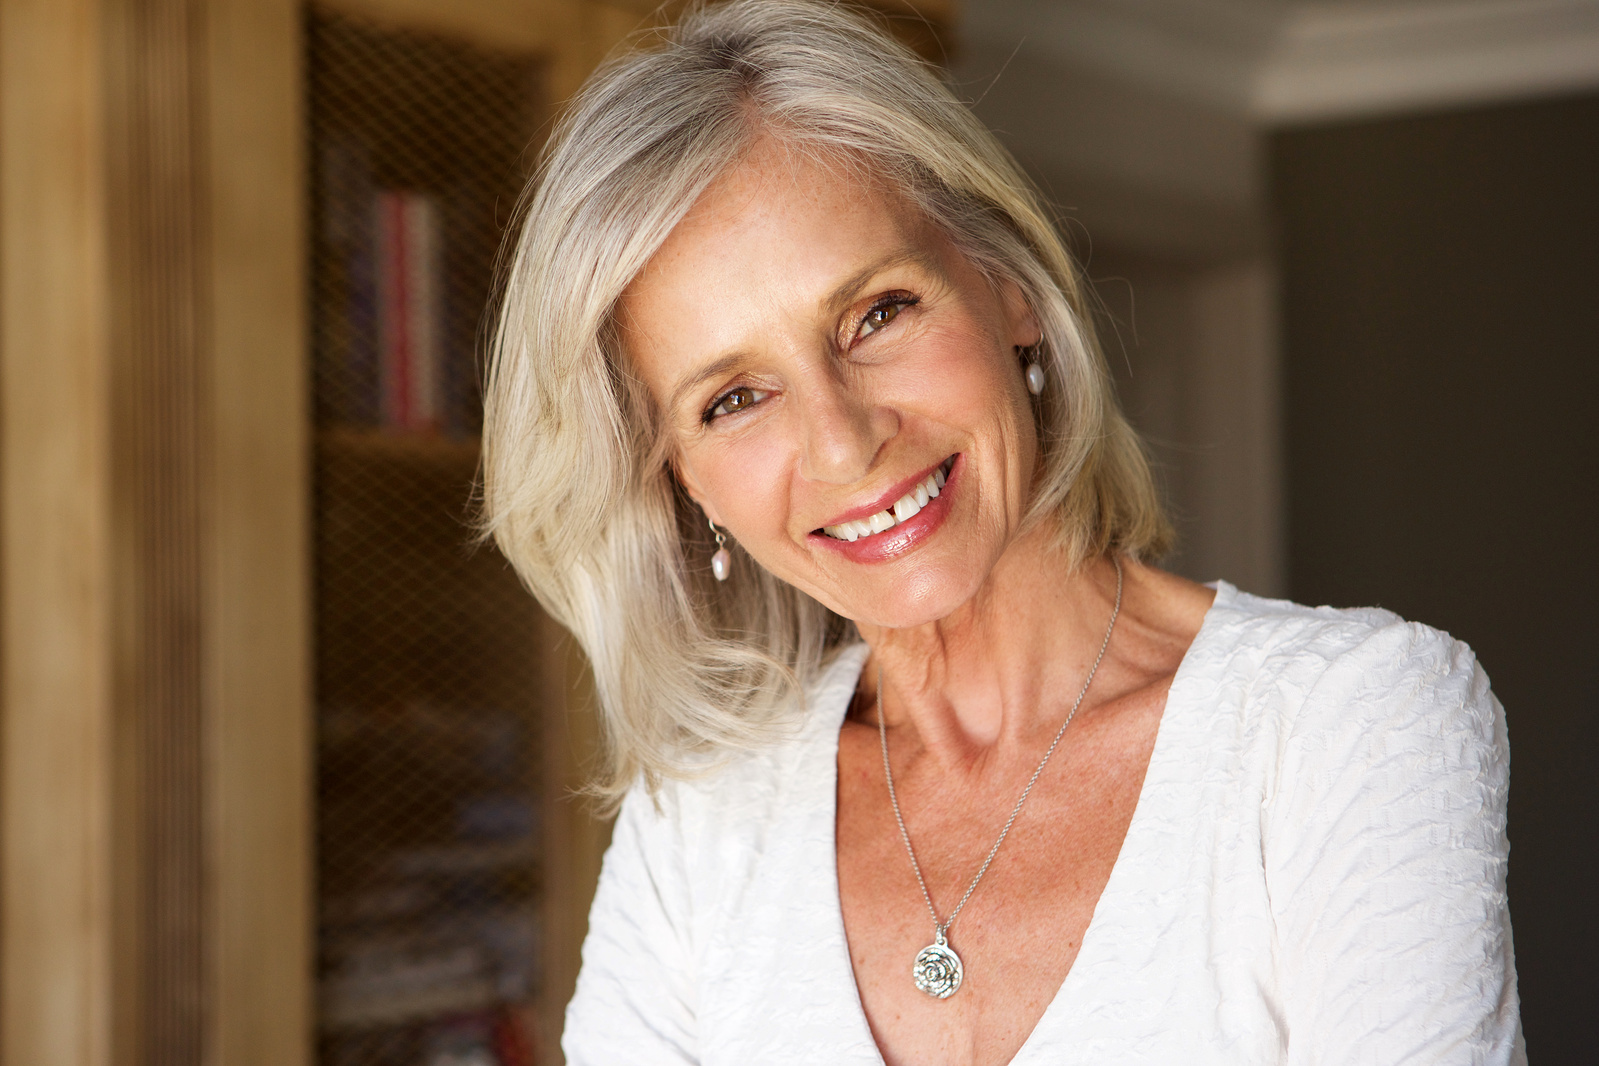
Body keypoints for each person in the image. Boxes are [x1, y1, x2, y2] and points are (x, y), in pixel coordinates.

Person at [481, 2, 1522, 1062]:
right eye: (734, 398)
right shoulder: (700, 820)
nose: (844, 444)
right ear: (682, 482)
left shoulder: (1351, 724)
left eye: (878, 313)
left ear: (1010, 288)